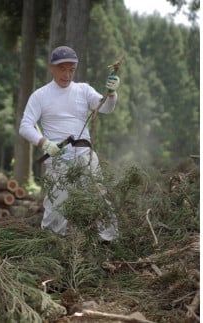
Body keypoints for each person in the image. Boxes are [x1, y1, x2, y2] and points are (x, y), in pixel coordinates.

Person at [19, 45, 120, 241]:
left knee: (98, 198)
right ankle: (53, 248)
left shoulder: (83, 90)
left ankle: (108, 243)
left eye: (71, 70)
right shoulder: (40, 96)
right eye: (62, 69)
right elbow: (25, 126)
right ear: (51, 67)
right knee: (57, 208)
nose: (67, 74)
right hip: (58, 160)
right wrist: (45, 144)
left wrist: (112, 93)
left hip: (84, 156)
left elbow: (106, 108)